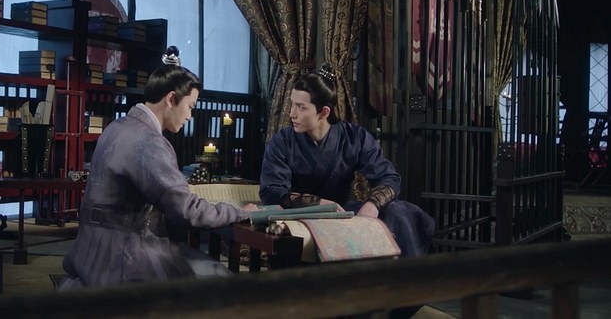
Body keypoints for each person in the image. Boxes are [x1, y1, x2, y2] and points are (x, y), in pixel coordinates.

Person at [58, 46, 253, 290]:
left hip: (91, 251)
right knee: (222, 280)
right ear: (171, 99)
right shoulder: (149, 141)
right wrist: (238, 212)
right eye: (190, 106)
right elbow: (186, 211)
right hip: (125, 256)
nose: (190, 116)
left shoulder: (116, 127)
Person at [259, 64, 434, 257]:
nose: (292, 113)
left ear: (324, 112)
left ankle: (405, 270)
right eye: (292, 104)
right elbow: (272, 191)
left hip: (344, 211)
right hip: (301, 214)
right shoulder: (282, 141)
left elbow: (389, 178)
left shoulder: (354, 137)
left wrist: (372, 205)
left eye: (301, 107)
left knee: (399, 210)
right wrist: (318, 203)